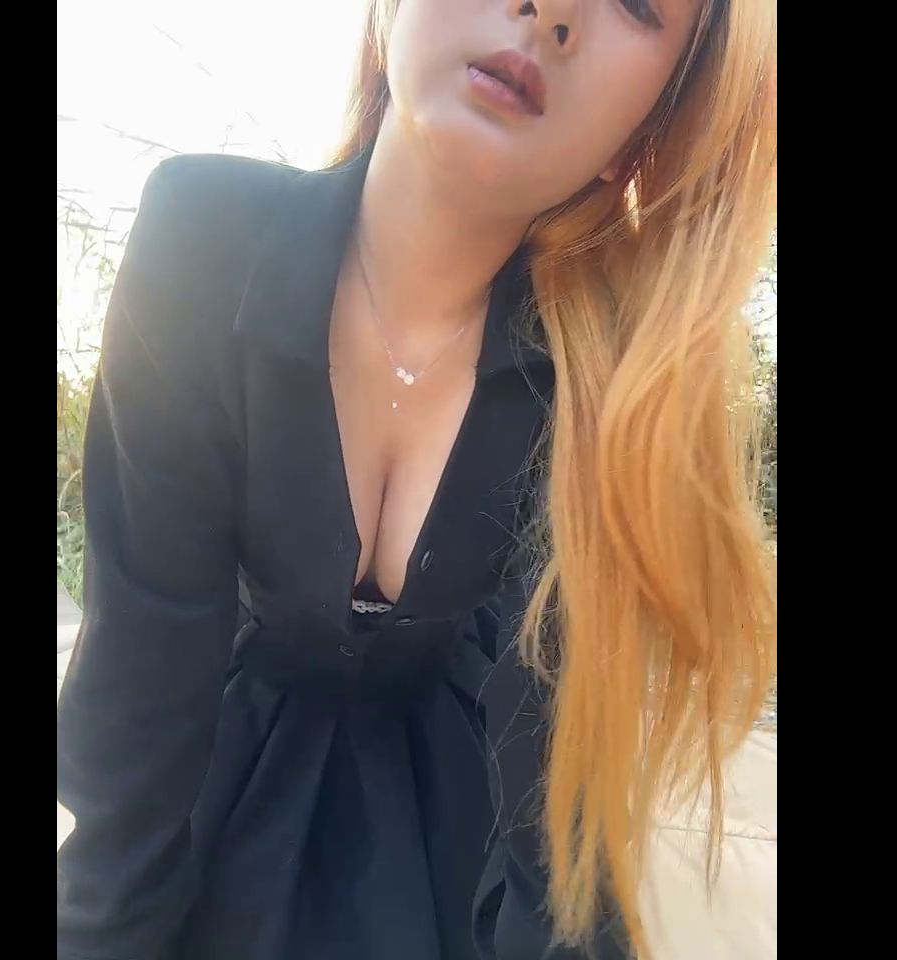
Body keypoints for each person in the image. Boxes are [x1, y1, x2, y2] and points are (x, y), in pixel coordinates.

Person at [56, 1, 777, 958]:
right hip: (216, 788)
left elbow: (555, 815)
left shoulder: (611, 376)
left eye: (638, 3)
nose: (554, 10)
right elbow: (141, 687)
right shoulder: (205, 239)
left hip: (457, 824)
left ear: (644, 139)